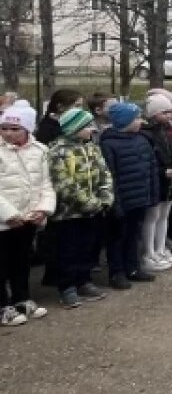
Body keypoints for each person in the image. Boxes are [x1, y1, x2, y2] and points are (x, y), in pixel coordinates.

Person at [46, 108, 113, 307]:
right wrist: (88, 203)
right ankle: (67, 287)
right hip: (69, 213)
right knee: (68, 249)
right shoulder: (58, 151)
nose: (92, 130)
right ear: (74, 127)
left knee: (88, 246)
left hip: (94, 210)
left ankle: (84, 280)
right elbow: (63, 183)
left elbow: (105, 174)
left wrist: (105, 198)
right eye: (87, 126)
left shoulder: (93, 148)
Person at [0, 102, 55, 326]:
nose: (8, 133)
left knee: (21, 261)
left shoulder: (40, 151)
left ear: (28, 129)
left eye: (15, 129)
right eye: (4, 128)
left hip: (28, 218)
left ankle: (22, 298)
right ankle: (3, 306)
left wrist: (43, 209)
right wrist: (9, 214)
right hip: (5, 221)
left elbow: (46, 184)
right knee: (1, 263)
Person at [99, 102, 159, 289]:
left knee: (134, 234)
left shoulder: (141, 140)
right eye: (137, 118)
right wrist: (114, 203)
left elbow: (151, 168)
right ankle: (117, 272)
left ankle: (133, 267)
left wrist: (152, 194)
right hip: (121, 200)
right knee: (118, 237)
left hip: (139, 198)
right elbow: (111, 176)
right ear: (125, 121)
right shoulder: (108, 144)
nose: (141, 121)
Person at [141, 93, 172, 271]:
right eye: (164, 112)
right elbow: (149, 159)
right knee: (152, 216)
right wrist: (162, 171)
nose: (168, 115)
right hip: (157, 179)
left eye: (170, 112)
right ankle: (148, 253)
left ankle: (160, 248)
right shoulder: (148, 133)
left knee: (164, 215)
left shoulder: (170, 130)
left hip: (171, 179)